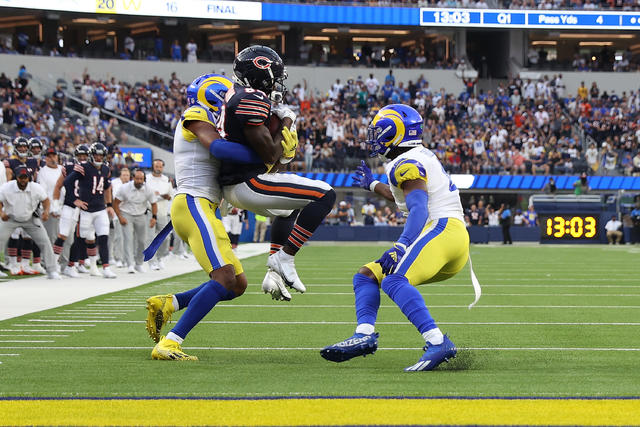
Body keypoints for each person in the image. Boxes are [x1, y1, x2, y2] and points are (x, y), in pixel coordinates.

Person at [321, 104, 480, 372]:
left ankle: (438, 341)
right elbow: (409, 200)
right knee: (367, 275)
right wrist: (373, 185)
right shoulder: (412, 157)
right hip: (449, 236)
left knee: (394, 279)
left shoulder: (406, 163)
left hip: (442, 230)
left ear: (397, 133)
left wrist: (400, 246)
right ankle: (364, 334)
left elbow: (419, 208)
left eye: (380, 131)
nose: (374, 137)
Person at [218, 46, 336, 300]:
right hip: (246, 183)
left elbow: (273, 160)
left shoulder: (237, 94)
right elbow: (271, 155)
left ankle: (274, 275)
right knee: (325, 195)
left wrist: (284, 152)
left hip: (239, 182)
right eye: (275, 75)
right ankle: (285, 258)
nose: (278, 82)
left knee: (288, 209)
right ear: (261, 72)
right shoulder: (250, 99)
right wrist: (286, 122)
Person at [63, 142, 117, 278]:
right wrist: (75, 199)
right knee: (80, 239)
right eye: (96, 155)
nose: (98, 158)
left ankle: (105, 267)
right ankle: (70, 266)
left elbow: (106, 188)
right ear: (91, 155)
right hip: (86, 210)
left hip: (100, 209)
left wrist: (109, 204)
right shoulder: (83, 167)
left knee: (103, 237)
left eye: (101, 155)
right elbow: (67, 182)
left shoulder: (105, 169)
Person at [0, 166, 59, 279]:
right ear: (16, 177)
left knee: (45, 242)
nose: (23, 180)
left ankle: (52, 270)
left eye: (25, 177)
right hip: (11, 218)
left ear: (29, 178)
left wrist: (46, 211)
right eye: (20, 177)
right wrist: (1, 214)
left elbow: (46, 200)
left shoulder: (36, 188)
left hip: (30, 218)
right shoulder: (7, 187)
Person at [52, 145, 89, 277]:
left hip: (84, 208)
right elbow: (58, 186)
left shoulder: (92, 169)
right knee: (62, 235)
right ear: (76, 156)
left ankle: (71, 265)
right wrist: (56, 203)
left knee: (78, 238)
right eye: (80, 155)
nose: (83, 158)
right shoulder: (68, 167)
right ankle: (53, 264)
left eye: (85, 155)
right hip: (69, 205)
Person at [113, 169, 157, 274]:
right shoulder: (124, 188)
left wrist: (154, 217)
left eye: (141, 179)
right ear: (133, 178)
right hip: (126, 213)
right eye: (137, 178)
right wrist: (120, 217)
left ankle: (139, 264)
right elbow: (115, 203)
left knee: (142, 240)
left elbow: (154, 204)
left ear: (144, 180)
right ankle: (130, 264)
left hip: (141, 214)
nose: (139, 181)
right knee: (128, 239)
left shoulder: (148, 189)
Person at [146, 159, 172, 270]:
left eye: (160, 166)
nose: (158, 168)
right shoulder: (146, 178)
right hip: (149, 211)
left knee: (166, 238)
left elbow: (170, 196)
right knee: (150, 237)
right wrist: (157, 196)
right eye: (156, 166)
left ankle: (160, 257)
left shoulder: (166, 180)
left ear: (163, 168)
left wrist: (162, 196)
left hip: (162, 212)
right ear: (153, 166)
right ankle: (152, 261)